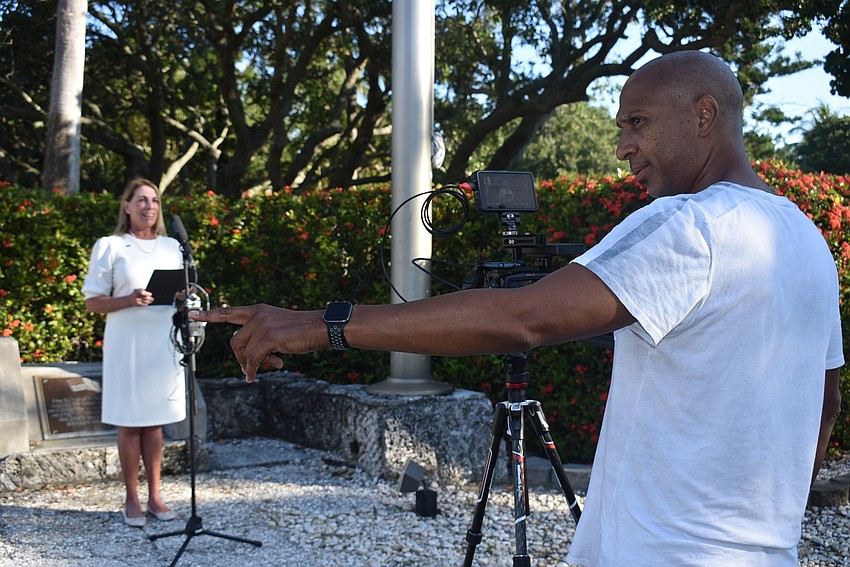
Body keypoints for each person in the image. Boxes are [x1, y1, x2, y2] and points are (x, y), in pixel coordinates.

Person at [190, 51, 844, 565]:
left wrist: (323, 323)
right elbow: (827, 399)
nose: (622, 148)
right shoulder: (807, 240)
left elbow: (520, 317)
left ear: (705, 116)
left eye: (637, 123)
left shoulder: (687, 222)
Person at [83, 178, 185, 528]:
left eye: (154, 200)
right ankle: (131, 498)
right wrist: (128, 299)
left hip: (162, 338)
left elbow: (181, 290)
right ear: (126, 205)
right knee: (129, 421)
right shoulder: (110, 245)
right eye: (140, 200)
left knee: (154, 422)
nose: (148, 206)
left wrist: (184, 297)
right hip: (127, 341)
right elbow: (92, 301)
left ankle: (156, 496)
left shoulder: (173, 246)